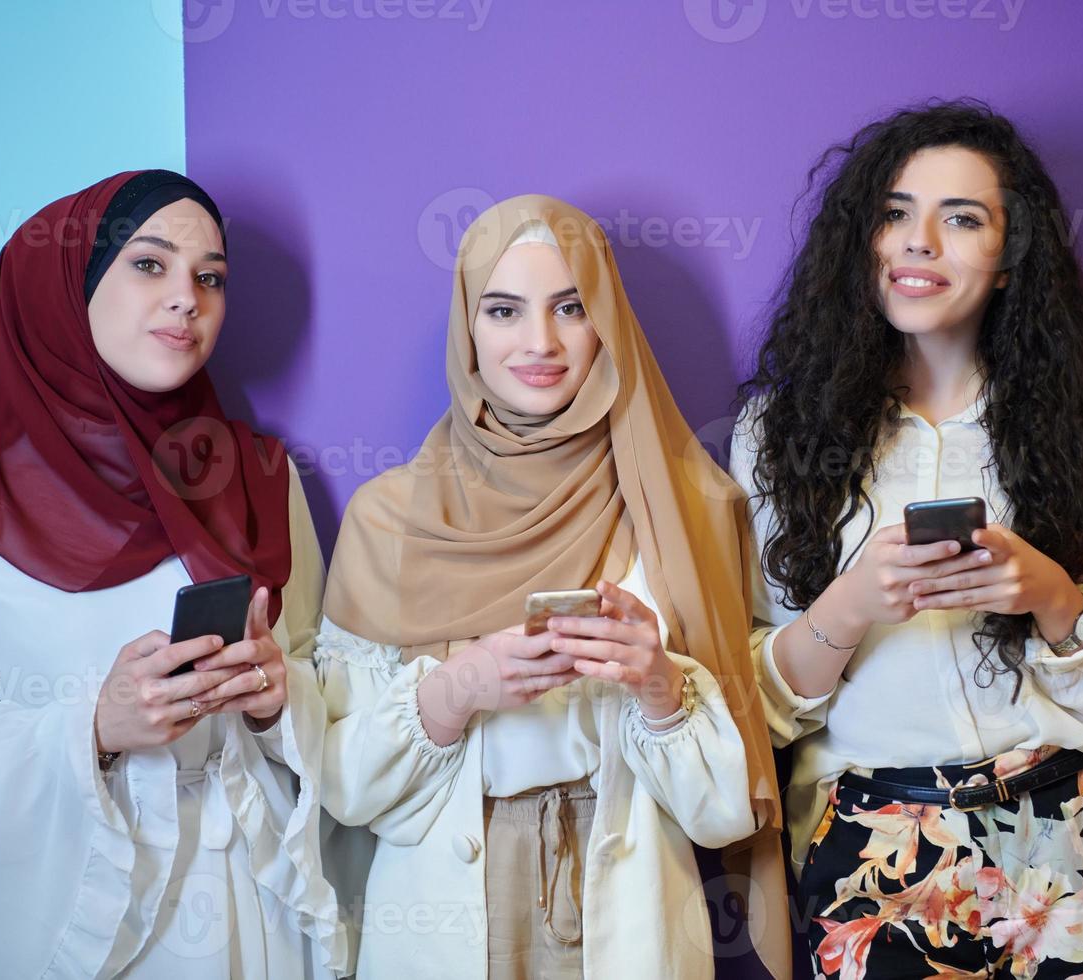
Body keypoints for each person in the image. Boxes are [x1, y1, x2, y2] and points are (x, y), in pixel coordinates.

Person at [0, 170, 348, 978]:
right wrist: (92, 727)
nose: (186, 298)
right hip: (86, 928)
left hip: (247, 920)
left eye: (211, 277)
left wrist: (277, 700)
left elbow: (327, 693)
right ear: (67, 288)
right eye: (149, 264)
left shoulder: (264, 478)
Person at [732, 102, 1083, 978]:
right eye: (895, 214)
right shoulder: (774, 435)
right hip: (874, 847)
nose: (918, 241)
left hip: (1069, 833)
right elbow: (753, 710)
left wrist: (1050, 597)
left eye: (961, 218)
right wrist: (851, 605)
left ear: (1010, 262)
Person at [315, 195, 791, 979]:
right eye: (503, 310)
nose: (540, 341)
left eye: (570, 306)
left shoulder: (681, 503)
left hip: (631, 904)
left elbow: (724, 811)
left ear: (605, 319)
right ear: (468, 328)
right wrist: (460, 688)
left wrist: (660, 687)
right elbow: (347, 791)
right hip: (441, 904)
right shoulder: (390, 517)